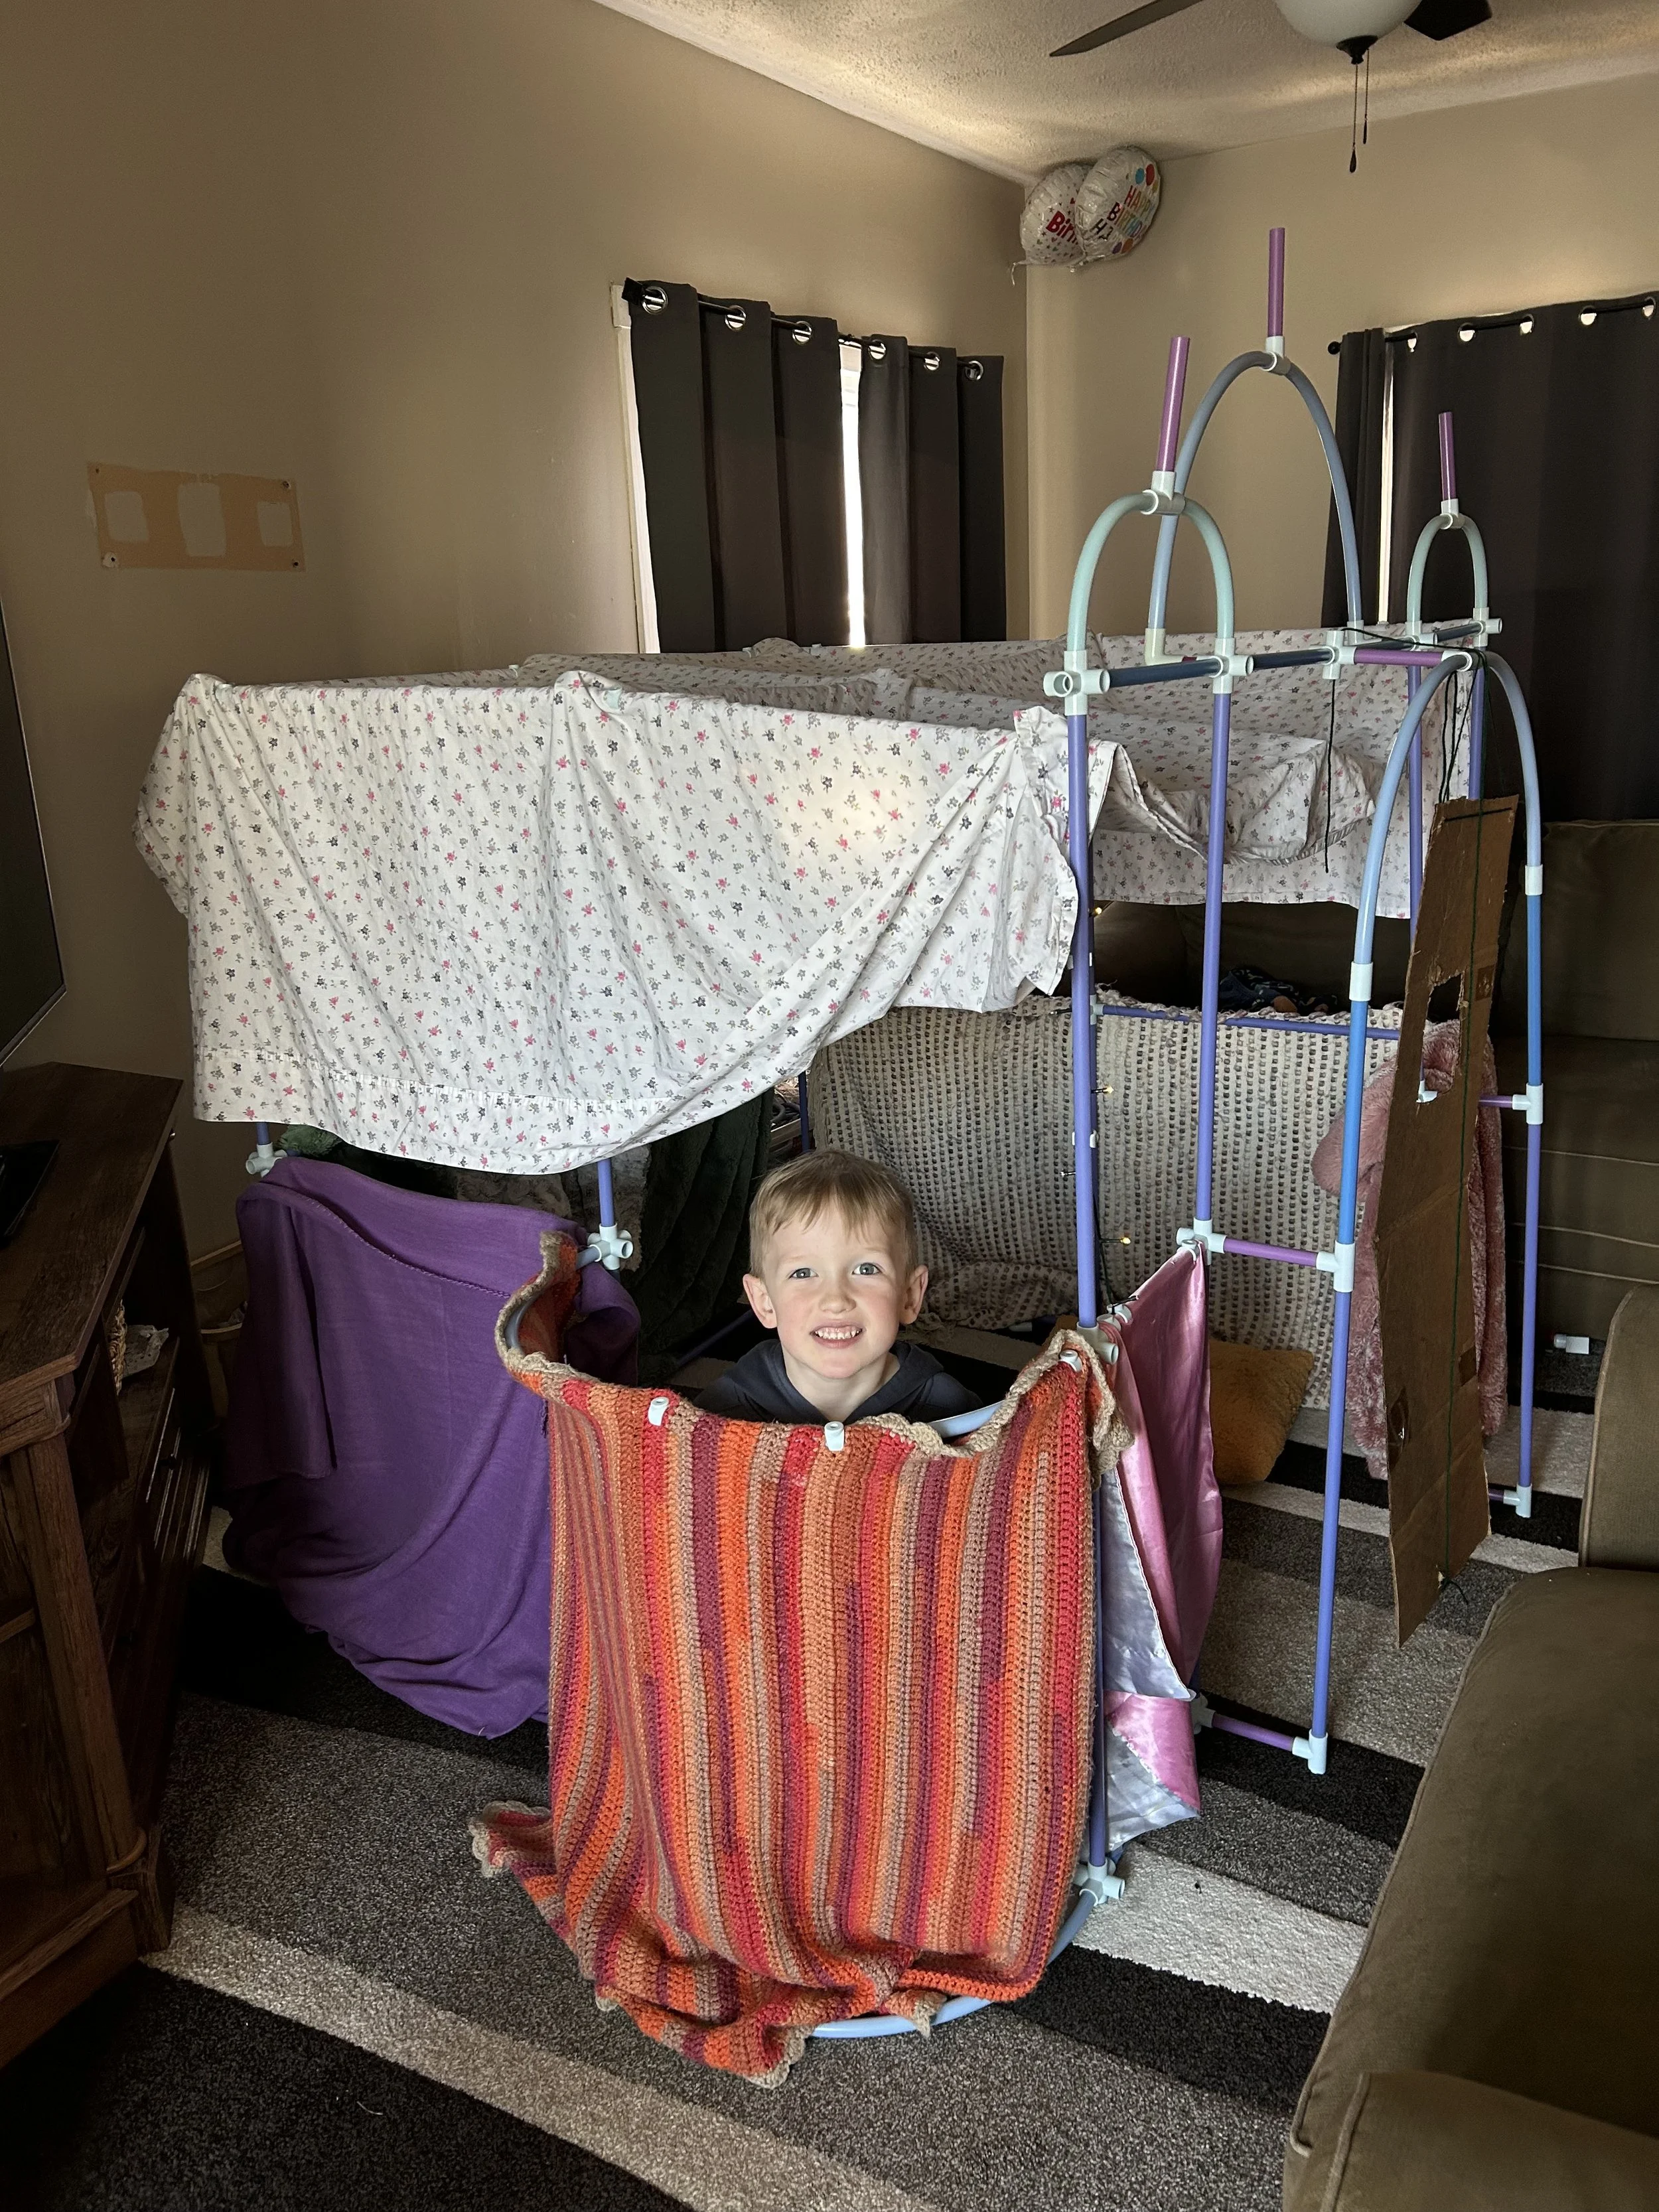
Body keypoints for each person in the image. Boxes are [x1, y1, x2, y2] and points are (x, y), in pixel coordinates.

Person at [696, 1148, 979, 1426]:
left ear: (910, 1296)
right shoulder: (719, 1416)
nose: (836, 1300)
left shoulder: (954, 1413)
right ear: (764, 1301)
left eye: (866, 1269)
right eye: (803, 1273)